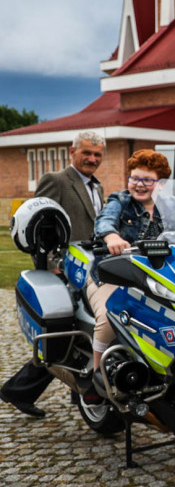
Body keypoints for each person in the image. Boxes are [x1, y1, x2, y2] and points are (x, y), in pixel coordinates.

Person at [0, 131, 105, 418]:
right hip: (62, 272)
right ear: (72, 152)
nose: (92, 159)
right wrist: (49, 269)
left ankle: (80, 394)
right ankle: (18, 390)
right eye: (87, 153)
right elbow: (38, 224)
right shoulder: (56, 181)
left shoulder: (98, 187)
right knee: (62, 336)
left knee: (81, 334)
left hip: (88, 271)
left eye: (97, 154)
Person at [87, 150, 175, 377]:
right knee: (110, 317)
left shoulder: (170, 206)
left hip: (151, 278)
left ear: (161, 184)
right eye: (134, 178)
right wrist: (111, 237)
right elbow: (104, 220)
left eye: (147, 179)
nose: (139, 184)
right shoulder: (121, 201)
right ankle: (98, 377)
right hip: (111, 273)